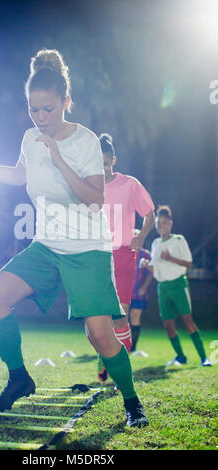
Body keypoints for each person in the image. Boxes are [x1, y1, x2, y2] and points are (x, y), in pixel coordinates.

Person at [0, 49, 149, 427]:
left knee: (101, 336)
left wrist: (59, 159)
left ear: (66, 102)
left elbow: (95, 198)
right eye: (33, 110)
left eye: (48, 110)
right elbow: (16, 176)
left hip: (88, 249)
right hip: (46, 246)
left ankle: (132, 400)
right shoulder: (29, 138)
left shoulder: (86, 142)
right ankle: (19, 378)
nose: (40, 118)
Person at [85, 133, 155, 382]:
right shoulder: (86, 186)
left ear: (113, 160)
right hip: (95, 257)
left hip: (124, 255)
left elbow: (149, 214)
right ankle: (106, 355)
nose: (101, 169)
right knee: (91, 327)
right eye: (96, 164)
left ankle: (121, 374)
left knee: (120, 316)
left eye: (105, 163)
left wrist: (142, 236)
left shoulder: (129, 184)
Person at [141, 205, 212, 367]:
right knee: (168, 324)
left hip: (179, 284)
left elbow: (189, 263)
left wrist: (170, 258)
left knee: (187, 320)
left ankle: (203, 358)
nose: (161, 226)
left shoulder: (179, 240)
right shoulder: (155, 243)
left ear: (171, 224)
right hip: (162, 287)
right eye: (158, 223)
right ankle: (180, 356)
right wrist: (147, 265)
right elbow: (156, 268)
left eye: (164, 223)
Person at [129, 236, 153, 356]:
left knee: (135, 317)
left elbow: (152, 271)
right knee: (120, 318)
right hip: (124, 291)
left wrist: (144, 287)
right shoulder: (125, 252)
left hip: (138, 292)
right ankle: (120, 344)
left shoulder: (145, 254)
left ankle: (133, 347)